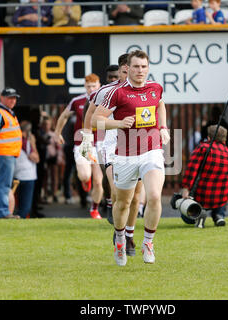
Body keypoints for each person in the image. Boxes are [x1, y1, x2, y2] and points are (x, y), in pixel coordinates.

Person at [92, 50, 170, 266]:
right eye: (136, 67)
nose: (140, 71)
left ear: (148, 68)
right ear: (127, 68)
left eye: (144, 67)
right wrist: (118, 123)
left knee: (153, 196)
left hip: (152, 150)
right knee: (123, 203)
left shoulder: (155, 87)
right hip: (125, 155)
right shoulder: (116, 93)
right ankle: (119, 239)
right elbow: (96, 120)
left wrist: (163, 127)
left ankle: (148, 242)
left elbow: (160, 103)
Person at [84, 54, 143, 256]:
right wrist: (86, 141)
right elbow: (90, 117)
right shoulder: (106, 92)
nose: (132, 74)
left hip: (137, 145)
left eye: (135, 70)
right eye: (127, 71)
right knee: (119, 191)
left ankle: (129, 235)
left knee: (136, 197)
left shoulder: (146, 89)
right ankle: (118, 229)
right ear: (121, 70)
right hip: (111, 145)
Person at [55, 73, 103, 219]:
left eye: (94, 86)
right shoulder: (78, 101)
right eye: (88, 86)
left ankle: (94, 209)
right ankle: (84, 180)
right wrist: (58, 133)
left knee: (98, 181)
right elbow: (64, 116)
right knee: (84, 175)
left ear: (99, 86)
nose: (91, 89)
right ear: (85, 87)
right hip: (83, 143)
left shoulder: (106, 100)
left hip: (100, 143)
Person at [181, 125, 228, 227]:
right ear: (224, 139)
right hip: (221, 197)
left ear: (208, 137)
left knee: (184, 213)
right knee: (222, 194)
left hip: (201, 196)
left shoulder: (203, 148)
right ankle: (219, 215)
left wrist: (186, 188)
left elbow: (191, 169)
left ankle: (197, 214)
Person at [0, 88, 22, 219]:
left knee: (4, 183)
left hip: (8, 153)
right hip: (3, 153)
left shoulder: (8, 113)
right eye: (10, 98)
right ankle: (2, 212)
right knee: (3, 184)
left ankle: (4, 212)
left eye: (14, 98)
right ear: (2, 98)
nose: (13, 100)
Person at [14, 121, 40, 219]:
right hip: (27, 176)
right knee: (25, 207)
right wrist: (33, 143)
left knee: (19, 204)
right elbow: (36, 158)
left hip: (17, 174)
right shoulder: (25, 142)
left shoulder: (15, 140)